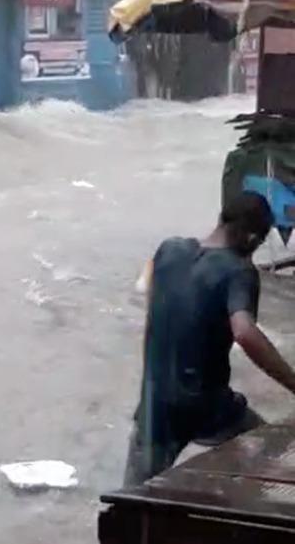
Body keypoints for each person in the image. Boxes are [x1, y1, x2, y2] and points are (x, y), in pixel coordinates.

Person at [124, 191, 295, 485]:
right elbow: (244, 332)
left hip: (155, 405)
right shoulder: (238, 271)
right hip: (207, 406)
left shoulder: (168, 249)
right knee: (272, 449)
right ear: (252, 238)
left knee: (131, 497)